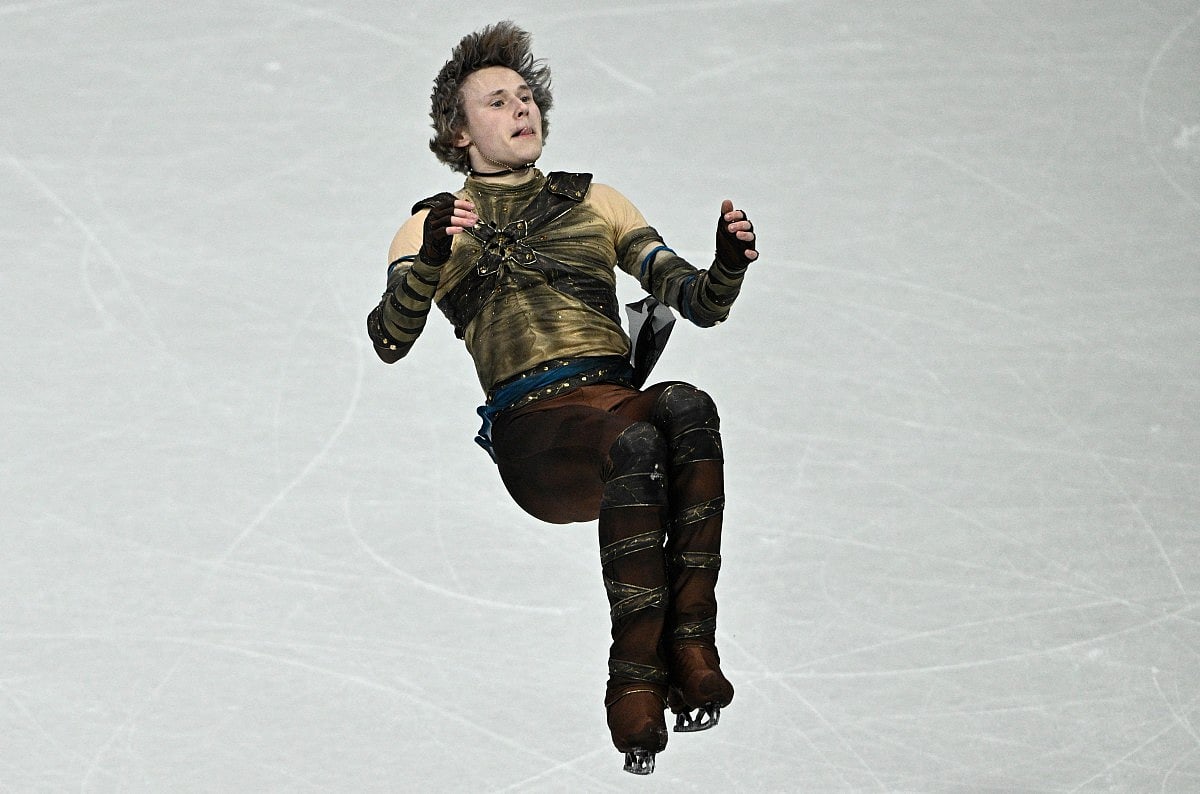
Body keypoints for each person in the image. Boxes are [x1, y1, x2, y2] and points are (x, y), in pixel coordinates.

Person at [366, 21, 758, 776]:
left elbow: (695, 300)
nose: (521, 109)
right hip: (538, 437)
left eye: (526, 96)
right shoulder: (430, 223)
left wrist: (727, 264)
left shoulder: (597, 201)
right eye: (496, 101)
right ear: (457, 131)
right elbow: (390, 336)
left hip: (613, 406)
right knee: (638, 441)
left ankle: (691, 639)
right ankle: (634, 679)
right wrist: (439, 251)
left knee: (686, 407)